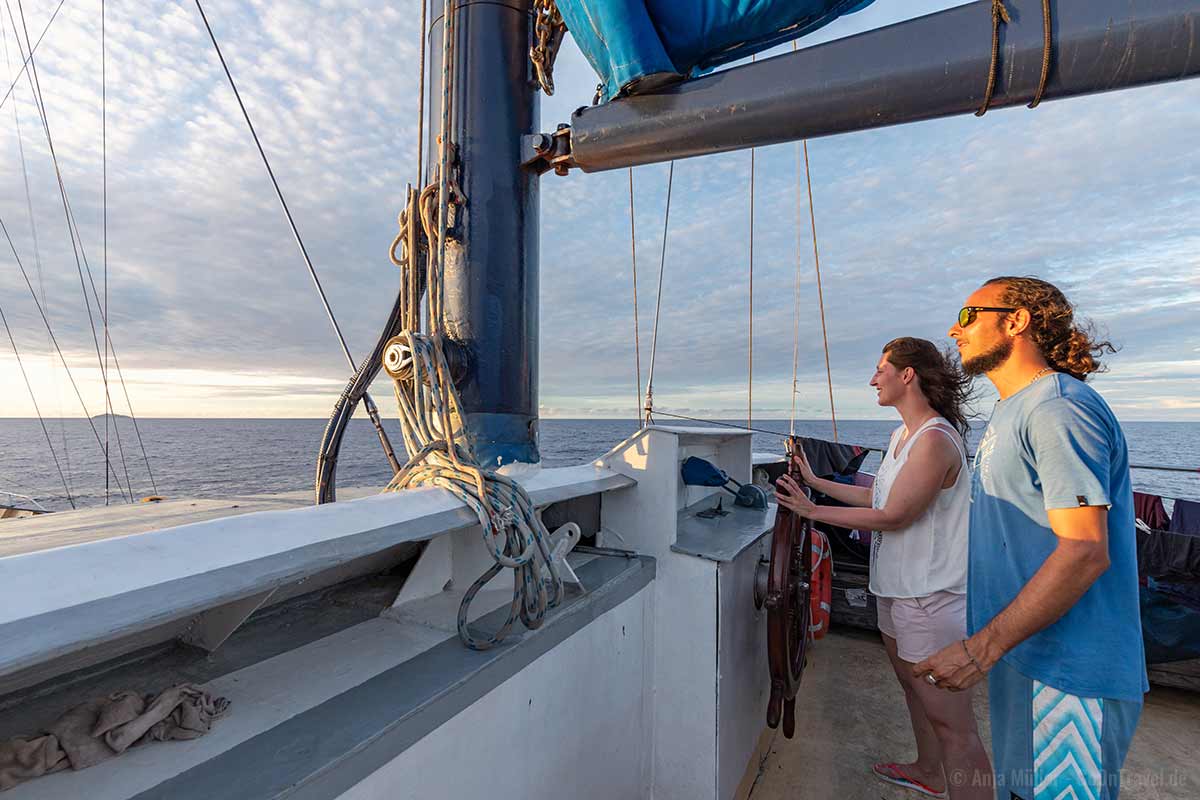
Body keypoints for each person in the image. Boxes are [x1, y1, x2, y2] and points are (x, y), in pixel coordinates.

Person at [916, 276, 1145, 800]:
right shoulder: (1014, 408)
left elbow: (1085, 550)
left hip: (1069, 676)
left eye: (969, 315)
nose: (956, 328)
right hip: (1028, 657)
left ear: (1016, 321)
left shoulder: (1058, 408)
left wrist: (980, 649)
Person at [777, 337, 991, 799]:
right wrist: (815, 483)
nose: (874, 378)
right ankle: (931, 774)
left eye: (881, 369)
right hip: (896, 590)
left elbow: (895, 516)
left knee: (954, 725)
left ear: (907, 374)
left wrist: (810, 512)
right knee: (915, 692)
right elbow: (879, 498)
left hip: (930, 597)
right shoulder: (901, 437)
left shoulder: (934, 440)